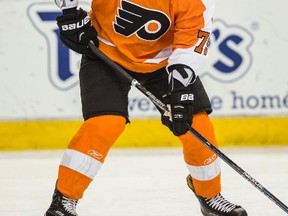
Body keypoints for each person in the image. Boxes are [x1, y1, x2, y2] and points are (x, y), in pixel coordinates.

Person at [45, 0, 248, 215]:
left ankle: (210, 196)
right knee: (104, 124)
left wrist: (180, 87)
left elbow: (192, 40)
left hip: (165, 63)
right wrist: (70, 12)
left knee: (197, 125)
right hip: (105, 52)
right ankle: (63, 200)